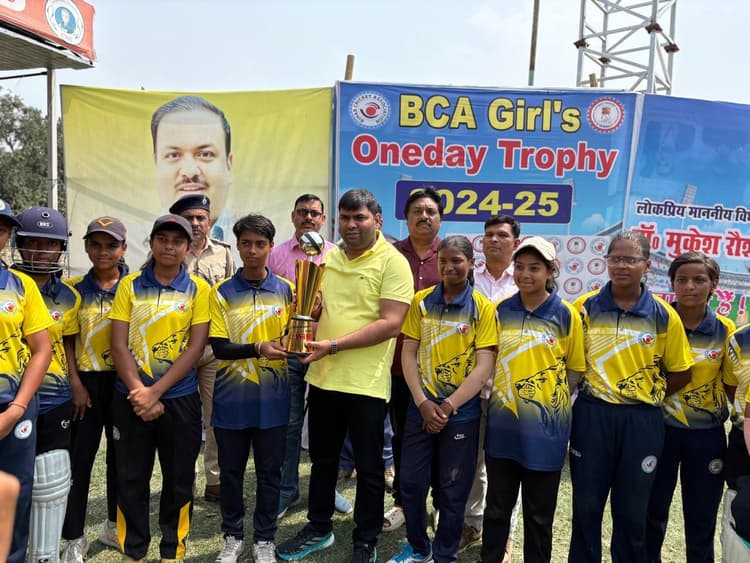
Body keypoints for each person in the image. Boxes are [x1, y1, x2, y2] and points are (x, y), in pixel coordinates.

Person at [276, 189, 413, 563]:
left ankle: (365, 538)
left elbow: (391, 323)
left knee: (369, 468)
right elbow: (319, 310)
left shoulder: (393, 262)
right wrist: (310, 315)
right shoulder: (329, 258)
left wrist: (333, 345)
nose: (351, 225)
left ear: (377, 221)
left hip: (366, 384)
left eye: (360, 218)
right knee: (323, 462)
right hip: (323, 378)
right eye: (346, 218)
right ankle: (318, 528)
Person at [568, 230, 694, 562]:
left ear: (647, 265)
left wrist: (648, 394)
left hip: (642, 421)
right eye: (615, 259)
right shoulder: (584, 308)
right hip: (593, 416)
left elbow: (682, 371)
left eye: (630, 259)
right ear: (606, 262)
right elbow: (570, 362)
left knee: (633, 509)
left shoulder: (664, 315)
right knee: (587, 506)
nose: (622, 265)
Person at [386, 235, 497, 563]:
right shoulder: (421, 301)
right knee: (411, 483)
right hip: (420, 409)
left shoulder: (482, 308)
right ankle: (418, 548)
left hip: (461, 414)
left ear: (471, 264)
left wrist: (449, 405)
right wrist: (422, 402)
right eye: (444, 261)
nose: (449, 267)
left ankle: (444, 554)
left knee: (453, 489)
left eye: (457, 261)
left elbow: (485, 365)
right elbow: (408, 353)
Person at [109, 214, 210, 562]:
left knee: (179, 477)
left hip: (180, 398)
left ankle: (173, 550)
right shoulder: (129, 285)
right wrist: (140, 391)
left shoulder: (198, 289)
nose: (169, 246)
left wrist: (155, 392)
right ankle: (133, 550)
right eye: (163, 239)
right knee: (130, 476)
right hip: (130, 397)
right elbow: (118, 344)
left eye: (177, 241)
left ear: (188, 247)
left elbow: (195, 348)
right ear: (151, 243)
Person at [481, 236, 585, 563]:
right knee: (496, 508)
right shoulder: (501, 310)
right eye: (521, 267)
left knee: (539, 516)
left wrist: (548, 402)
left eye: (535, 268)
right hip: (502, 427)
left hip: (546, 433)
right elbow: (489, 359)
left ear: (551, 271)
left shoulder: (566, 315)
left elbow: (574, 370)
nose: (526, 274)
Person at [209, 214, 293, 563]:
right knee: (231, 473)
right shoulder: (222, 292)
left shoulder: (286, 290)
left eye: (260, 244)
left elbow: (293, 340)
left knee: (270, 474)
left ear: (271, 246)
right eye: (246, 243)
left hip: (273, 400)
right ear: (238, 246)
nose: (253, 250)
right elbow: (219, 348)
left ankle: (264, 539)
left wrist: (310, 320)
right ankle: (232, 536)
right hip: (231, 400)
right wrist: (259, 348)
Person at [645, 252, 735, 563]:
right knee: (652, 512)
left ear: (714, 284)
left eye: (699, 280)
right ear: (672, 283)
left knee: (701, 517)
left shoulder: (726, 330)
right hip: (659, 432)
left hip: (706, 436)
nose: (690, 287)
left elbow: (732, 385)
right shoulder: (657, 323)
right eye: (681, 280)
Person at [12, 206, 82, 563]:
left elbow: (66, 345)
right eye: (33, 242)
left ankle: (44, 554)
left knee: (51, 472)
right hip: (11, 394)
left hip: (55, 395)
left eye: (50, 243)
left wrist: (76, 384)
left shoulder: (69, 296)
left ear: (61, 249)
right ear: (20, 244)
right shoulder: (8, 286)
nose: (41, 250)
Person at [266, 194, 343, 519]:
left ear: (323, 219)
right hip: (289, 351)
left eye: (314, 213)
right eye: (302, 212)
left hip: (327, 351)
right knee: (290, 423)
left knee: (329, 427)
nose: (308, 217)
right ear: (293, 216)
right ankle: (287, 489)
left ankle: (326, 488)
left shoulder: (337, 255)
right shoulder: (276, 255)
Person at [60, 216, 129, 561]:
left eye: (111, 245)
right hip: (85, 384)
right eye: (96, 244)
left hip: (122, 382)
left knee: (122, 459)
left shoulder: (133, 288)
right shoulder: (72, 289)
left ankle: (114, 526)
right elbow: (67, 341)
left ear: (123, 248)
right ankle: (74, 536)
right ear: (86, 247)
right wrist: (75, 382)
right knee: (80, 460)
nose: (103, 252)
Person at [460, 214, 522, 557]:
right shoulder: (469, 278)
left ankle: (505, 533)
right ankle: (472, 524)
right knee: (472, 464)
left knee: (508, 468)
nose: (494, 240)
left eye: (501, 235)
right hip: (471, 390)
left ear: (516, 242)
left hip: (511, 395)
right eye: (488, 235)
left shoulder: (526, 280)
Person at [384, 187, 443, 534]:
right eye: (417, 211)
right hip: (395, 364)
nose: (424, 216)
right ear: (405, 218)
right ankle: (403, 502)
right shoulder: (391, 256)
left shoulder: (450, 257)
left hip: (439, 369)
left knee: (439, 438)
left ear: (440, 219)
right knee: (401, 436)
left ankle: (439, 503)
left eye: (430, 211)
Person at [168, 194, 235, 503]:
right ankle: (185, 480)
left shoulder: (224, 253)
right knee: (181, 419)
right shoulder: (168, 251)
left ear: (210, 221)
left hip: (212, 348)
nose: (195, 223)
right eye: (189, 218)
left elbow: (231, 296)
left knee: (216, 416)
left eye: (201, 218)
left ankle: (215, 480)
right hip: (178, 350)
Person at [0, 199, 53, 563]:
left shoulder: (21, 286)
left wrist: (17, 409)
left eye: (2, 229)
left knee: (15, 492)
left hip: (13, 405)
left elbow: (41, 350)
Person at [151, 95, 233, 240]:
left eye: (205, 154)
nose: (189, 172)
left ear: (228, 164)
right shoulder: (132, 239)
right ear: (156, 164)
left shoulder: (246, 238)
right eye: (173, 155)